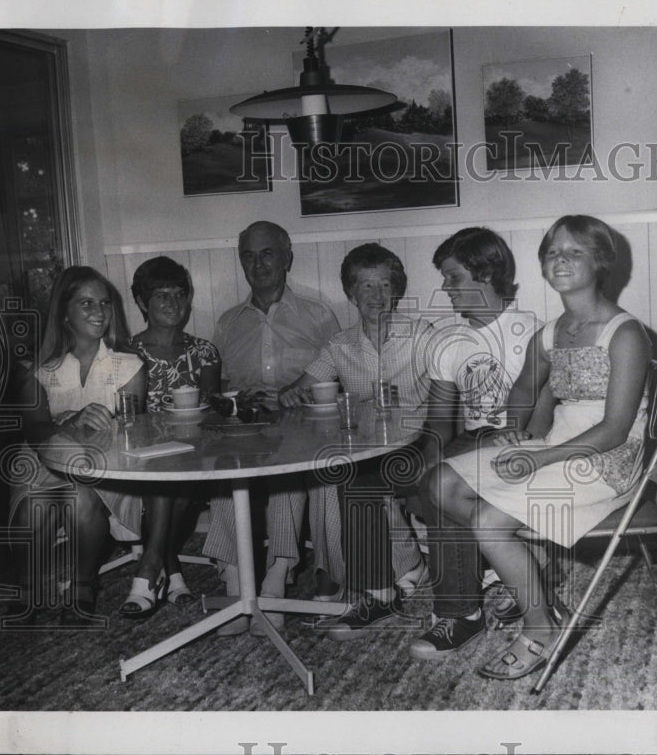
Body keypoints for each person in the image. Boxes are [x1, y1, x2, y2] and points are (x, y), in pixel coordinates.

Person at [436, 215, 652, 679]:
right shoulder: (553, 332)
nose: (561, 260)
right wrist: (517, 432)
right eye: (553, 252)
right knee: (441, 483)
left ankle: (539, 628)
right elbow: (523, 391)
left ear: (601, 262)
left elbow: (615, 430)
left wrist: (540, 456)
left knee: (488, 521)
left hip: (606, 462)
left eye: (575, 252)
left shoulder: (626, 334)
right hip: (553, 445)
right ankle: (531, 574)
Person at [278, 243, 432, 639]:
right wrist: (292, 395)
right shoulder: (339, 346)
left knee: (354, 477)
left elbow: (454, 396)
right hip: (367, 448)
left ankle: (376, 589)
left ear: (396, 290)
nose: (376, 296)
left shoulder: (422, 337)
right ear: (350, 293)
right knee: (337, 474)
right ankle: (382, 577)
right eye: (365, 287)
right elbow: (296, 390)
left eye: (384, 285)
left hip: (417, 448)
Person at [406, 227, 542, 659]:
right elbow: (438, 423)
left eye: (454, 278)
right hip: (474, 442)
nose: (445, 288)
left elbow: (547, 413)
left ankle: (460, 613)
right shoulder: (447, 342)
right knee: (422, 474)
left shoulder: (530, 332)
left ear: (486, 275)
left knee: (445, 479)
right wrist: (428, 458)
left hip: (526, 443)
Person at [204, 221, 340, 635]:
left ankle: (276, 575)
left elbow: (340, 378)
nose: (257, 263)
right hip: (245, 429)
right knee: (223, 462)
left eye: (267, 253)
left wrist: (296, 399)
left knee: (288, 465)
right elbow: (218, 389)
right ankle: (235, 577)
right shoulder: (228, 322)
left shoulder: (318, 316)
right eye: (248, 255)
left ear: (286, 258)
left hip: (303, 428)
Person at [11, 266, 147, 624]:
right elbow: (34, 431)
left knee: (82, 499)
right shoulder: (41, 369)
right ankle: (32, 586)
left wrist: (95, 427)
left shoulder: (128, 366)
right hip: (46, 461)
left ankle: (83, 586)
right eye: (86, 302)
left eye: (104, 302)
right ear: (63, 312)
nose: (99, 312)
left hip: (106, 463)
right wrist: (68, 423)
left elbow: (134, 428)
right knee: (35, 506)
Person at [118, 256, 221, 617]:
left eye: (180, 294)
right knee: (167, 482)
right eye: (162, 296)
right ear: (143, 303)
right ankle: (167, 569)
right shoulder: (127, 353)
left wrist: (217, 406)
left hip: (195, 449)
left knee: (180, 480)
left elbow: (211, 410)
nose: (174, 304)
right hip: (145, 454)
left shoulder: (204, 350)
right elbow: (128, 419)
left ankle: (153, 569)